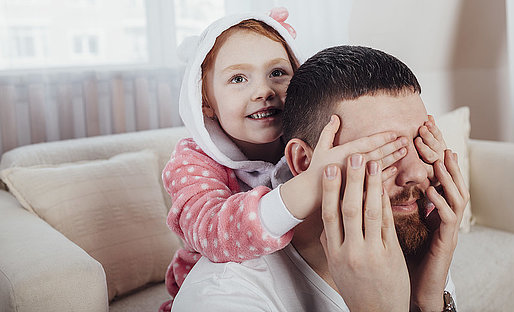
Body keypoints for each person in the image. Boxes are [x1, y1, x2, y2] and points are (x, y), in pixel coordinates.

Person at [172, 45, 468, 312]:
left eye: (420, 143)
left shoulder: (409, 238)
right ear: (303, 162)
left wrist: (429, 303)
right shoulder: (222, 296)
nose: (416, 174)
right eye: (384, 152)